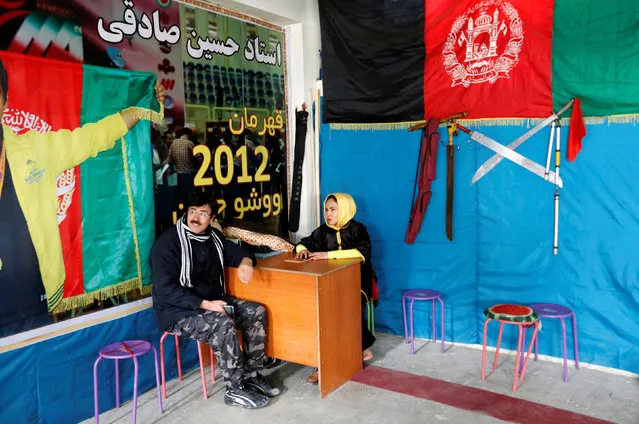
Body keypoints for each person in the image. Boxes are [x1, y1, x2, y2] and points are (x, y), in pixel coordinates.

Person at [0, 57, 165, 336]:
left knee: (41, 368)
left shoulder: (34, 148)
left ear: (5, 102)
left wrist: (139, 107)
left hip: (33, 297)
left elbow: (92, 137)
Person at [150, 191, 280, 409]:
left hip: (212, 302)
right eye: (192, 212)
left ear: (212, 219)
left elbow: (239, 253)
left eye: (202, 213)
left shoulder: (214, 238)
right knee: (222, 324)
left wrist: (246, 262)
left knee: (255, 311)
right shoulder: (168, 244)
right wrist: (207, 305)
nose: (195, 218)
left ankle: (252, 374)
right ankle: (235, 389)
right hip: (177, 312)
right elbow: (165, 291)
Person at [295, 193, 378, 383]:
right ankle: (325, 361)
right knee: (322, 308)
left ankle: (361, 345)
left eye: (333, 209)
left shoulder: (358, 229)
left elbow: (361, 253)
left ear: (345, 209)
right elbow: (303, 243)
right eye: (326, 209)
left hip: (358, 281)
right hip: (331, 283)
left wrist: (327, 255)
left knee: (343, 305)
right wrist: (303, 250)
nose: (328, 213)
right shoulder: (324, 231)